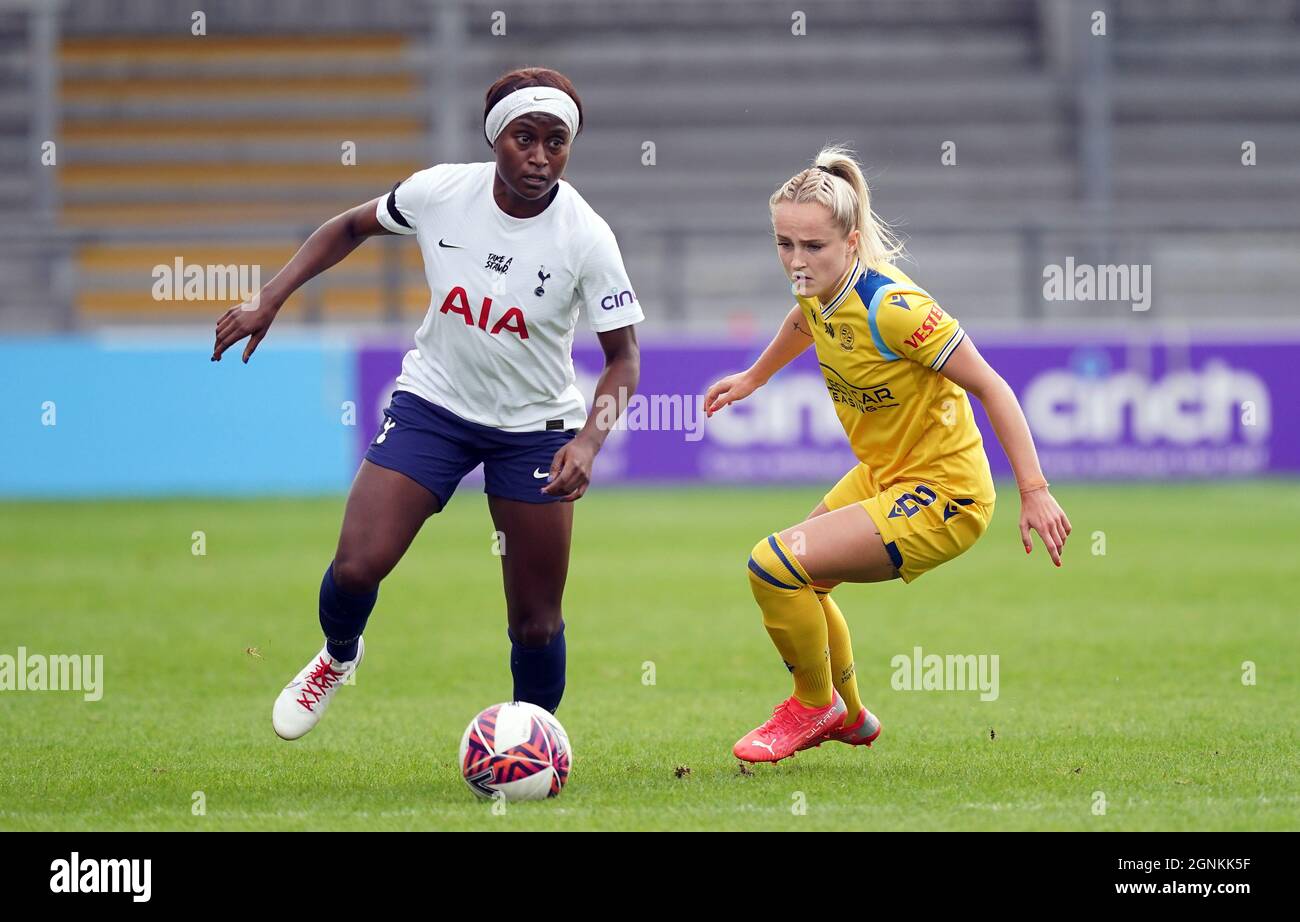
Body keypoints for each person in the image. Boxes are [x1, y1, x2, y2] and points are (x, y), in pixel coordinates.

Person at [211, 67, 642, 740]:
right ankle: (338, 656)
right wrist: (271, 296)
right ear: (494, 138)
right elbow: (348, 226)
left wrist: (588, 442)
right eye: (524, 137)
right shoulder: (440, 191)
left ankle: (532, 740)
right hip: (434, 406)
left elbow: (624, 360)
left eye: (556, 141)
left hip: (534, 430)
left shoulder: (586, 236)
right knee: (357, 566)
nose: (539, 156)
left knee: (535, 620)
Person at [704, 146, 1070, 764]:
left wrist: (1034, 490)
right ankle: (847, 716)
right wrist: (755, 378)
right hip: (885, 476)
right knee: (804, 581)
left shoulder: (894, 309)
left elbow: (992, 386)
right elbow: (806, 318)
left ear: (850, 242)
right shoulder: (821, 291)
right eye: (784, 244)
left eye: (812, 247)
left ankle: (813, 706)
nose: (796, 261)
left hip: (944, 497)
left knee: (772, 566)